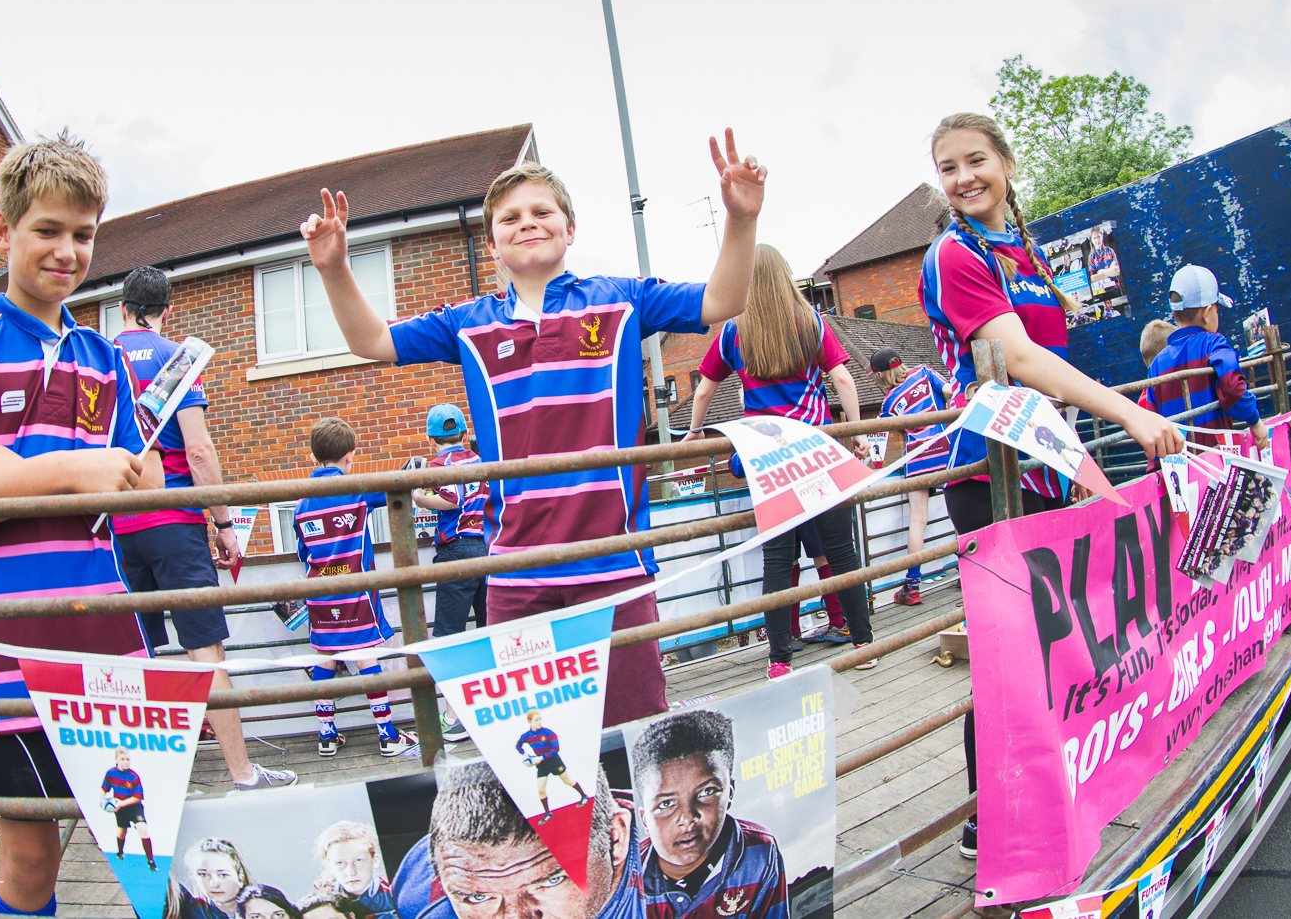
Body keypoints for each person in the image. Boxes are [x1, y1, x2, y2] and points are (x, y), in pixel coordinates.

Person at [301, 132, 765, 726]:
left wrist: (741, 219)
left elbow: (724, 298)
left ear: (570, 230)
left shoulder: (622, 301)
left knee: (636, 734)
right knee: (536, 747)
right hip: (515, 571)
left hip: (613, 561)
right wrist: (334, 268)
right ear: (492, 245)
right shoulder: (466, 323)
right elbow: (370, 340)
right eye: (510, 217)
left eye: (542, 211)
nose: (527, 222)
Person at [0, 131, 165, 917]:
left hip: (110, 638)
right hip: (7, 647)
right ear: (2, 230)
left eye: (83, 234)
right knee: (28, 857)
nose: (67, 250)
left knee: (140, 840)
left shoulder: (106, 357)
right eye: (47, 229)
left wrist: (3, 472)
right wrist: (71, 470)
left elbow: (146, 480)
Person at [918, 112, 1184, 863]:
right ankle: (991, 820)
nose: (963, 178)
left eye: (976, 160)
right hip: (988, 471)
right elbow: (1021, 358)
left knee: (1051, 643)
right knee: (1008, 653)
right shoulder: (953, 253)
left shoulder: (1024, 250)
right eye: (948, 167)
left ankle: (1044, 789)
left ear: (1006, 163)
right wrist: (1129, 411)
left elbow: (1049, 357)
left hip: (1043, 465)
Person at [111, 266, 296, 791]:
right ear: (166, 310)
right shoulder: (177, 359)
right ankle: (242, 773)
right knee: (206, 655)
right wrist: (225, 525)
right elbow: (198, 451)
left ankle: (141, 781)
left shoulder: (99, 358)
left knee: (133, 659)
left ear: (123, 309)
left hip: (116, 524)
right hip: (174, 518)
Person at [684, 244, 872, 679]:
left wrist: (694, 430)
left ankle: (780, 660)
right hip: (816, 450)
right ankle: (864, 645)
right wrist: (857, 432)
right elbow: (843, 378)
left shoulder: (733, 332)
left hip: (769, 458)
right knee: (841, 551)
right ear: (785, 275)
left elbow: (705, 389)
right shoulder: (812, 322)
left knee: (778, 559)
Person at [292, 417, 416, 758]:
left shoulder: (299, 502)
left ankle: (327, 735)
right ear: (351, 456)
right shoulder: (357, 488)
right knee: (364, 654)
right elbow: (397, 485)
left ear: (313, 457)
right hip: (356, 590)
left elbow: (303, 552)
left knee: (325, 656)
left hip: (319, 594)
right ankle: (387, 734)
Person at [392, 761, 639, 919]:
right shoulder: (422, 896)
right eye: (478, 897)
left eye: (551, 880)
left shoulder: (660, 865)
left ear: (615, 839)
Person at [629, 710, 786, 919]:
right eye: (666, 804)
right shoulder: (625, 882)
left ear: (730, 793)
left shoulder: (759, 851)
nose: (688, 818)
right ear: (644, 819)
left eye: (707, 792)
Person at [410, 402, 489, 743]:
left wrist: (419, 497)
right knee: (489, 629)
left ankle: (454, 718)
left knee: (449, 636)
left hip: (456, 550)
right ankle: (489, 707)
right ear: (465, 433)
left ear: (431, 439)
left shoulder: (440, 464)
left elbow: (451, 497)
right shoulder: (478, 460)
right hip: (487, 549)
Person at [1143, 265, 1272, 454]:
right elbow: (1233, 388)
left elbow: (1152, 423)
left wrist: (1157, 465)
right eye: (1217, 311)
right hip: (1218, 459)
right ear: (1207, 313)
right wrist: (1256, 422)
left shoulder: (1156, 366)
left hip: (1180, 464)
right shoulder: (1214, 344)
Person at [869, 347, 951, 607]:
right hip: (946, 450)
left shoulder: (888, 403)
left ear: (880, 375)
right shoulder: (924, 372)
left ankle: (912, 587)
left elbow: (878, 438)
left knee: (918, 520)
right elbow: (950, 391)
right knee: (959, 511)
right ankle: (969, 568)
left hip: (917, 458)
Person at [315, 820, 398, 919]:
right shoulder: (323, 904)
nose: (351, 872)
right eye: (340, 863)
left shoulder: (395, 890)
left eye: (358, 861)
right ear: (329, 867)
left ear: (375, 860)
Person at [516, 710, 585, 824]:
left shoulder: (548, 733)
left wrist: (541, 757)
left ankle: (584, 796)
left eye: (540, 719)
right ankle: (547, 813)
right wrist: (526, 756)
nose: (539, 722)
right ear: (530, 721)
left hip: (554, 762)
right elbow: (518, 745)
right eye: (536, 720)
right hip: (542, 765)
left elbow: (555, 749)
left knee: (567, 781)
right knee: (541, 790)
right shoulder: (526, 736)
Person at [101, 747, 155, 870]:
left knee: (142, 828)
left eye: (128, 759)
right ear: (116, 759)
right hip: (120, 809)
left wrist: (122, 803)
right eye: (123, 759)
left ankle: (151, 861)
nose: (126, 762)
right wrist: (101, 800)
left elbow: (138, 797)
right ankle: (120, 852)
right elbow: (104, 788)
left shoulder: (133, 776)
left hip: (134, 807)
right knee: (122, 831)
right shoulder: (111, 773)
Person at [188, 837, 253, 919]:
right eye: (203, 875)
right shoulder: (190, 911)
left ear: (241, 879)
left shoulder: (262, 910)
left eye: (223, 875)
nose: (213, 884)